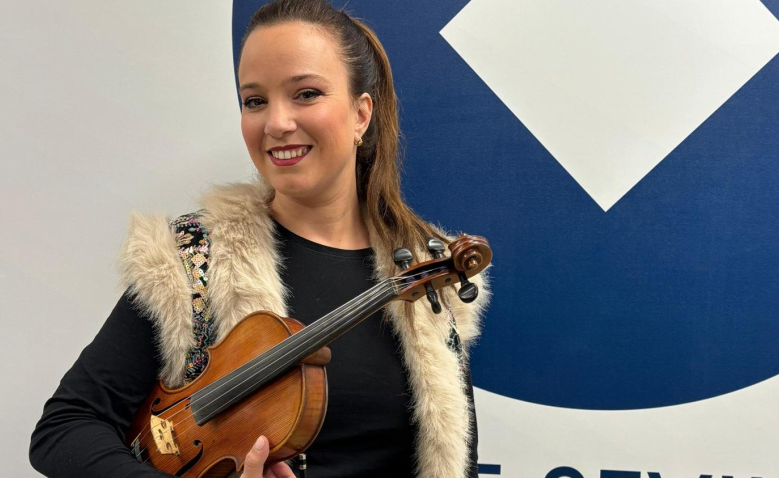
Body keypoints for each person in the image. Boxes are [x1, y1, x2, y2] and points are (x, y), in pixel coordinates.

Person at [29, 0, 489, 477]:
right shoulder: (192, 259)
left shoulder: (428, 272)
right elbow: (65, 428)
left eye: (306, 93)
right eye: (255, 101)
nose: (276, 123)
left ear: (361, 114)